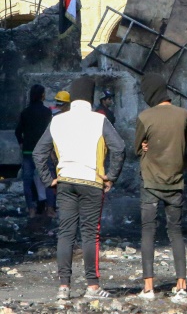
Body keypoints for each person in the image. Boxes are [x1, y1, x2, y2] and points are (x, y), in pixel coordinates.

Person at [33, 77, 126, 301]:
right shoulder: (99, 120)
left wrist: (49, 180)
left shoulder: (58, 120)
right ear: (91, 97)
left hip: (65, 182)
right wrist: (111, 176)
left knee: (65, 233)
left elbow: (38, 153)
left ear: (72, 97)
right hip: (92, 182)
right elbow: (120, 148)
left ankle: (64, 287)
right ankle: (92, 286)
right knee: (90, 234)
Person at [134, 74, 187, 303]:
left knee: (148, 230)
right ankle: (182, 284)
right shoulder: (184, 115)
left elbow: (137, 148)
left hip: (150, 181)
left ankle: (148, 286)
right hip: (175, 180)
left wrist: (146, 147)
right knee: (175, 231)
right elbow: (184, 145)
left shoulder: (144, 117)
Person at [16, 85, 56, 218]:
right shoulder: (47, 112)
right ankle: (50, 209)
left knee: (27, 181)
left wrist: (22, 143)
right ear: (42, 96)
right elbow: (51, 133)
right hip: (43, 152)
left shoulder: (25, 112)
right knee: (48, 180)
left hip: (28, 152)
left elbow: (18, 132)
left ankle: (31, 209)